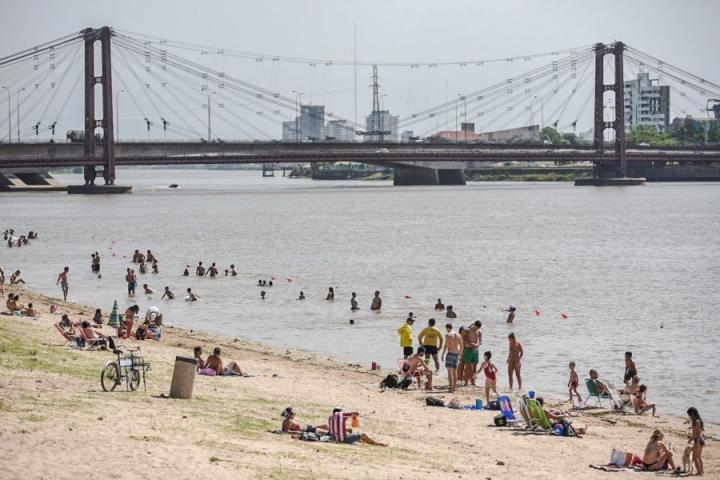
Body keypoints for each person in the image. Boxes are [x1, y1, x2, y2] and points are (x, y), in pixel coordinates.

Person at [441, 323, 463, 393]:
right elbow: (462, 346)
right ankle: (454, 387)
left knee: (450, 372)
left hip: (450, 354)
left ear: (447, 328)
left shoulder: (448, 335)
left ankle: (451, 388)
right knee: (455, 371)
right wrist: (460, 355)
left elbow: (445, 345)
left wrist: (442, 354)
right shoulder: (459, 335)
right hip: (456, 354)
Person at [463, 321, 482, 386]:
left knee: (475, 366)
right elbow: (464, 339)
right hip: (468, 349)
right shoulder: (468, 330)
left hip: (475, 350)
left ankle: (473, 381)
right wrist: (472, 344)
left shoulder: (479, 331)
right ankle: (466, 382)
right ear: (474, 325)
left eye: (478, 328)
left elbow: (481, 340)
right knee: (467, 366)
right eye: (476, 327)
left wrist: (477, 345)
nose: (477, 329)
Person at [687, 407, 705, 475]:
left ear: (692, 414)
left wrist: (696, 442)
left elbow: (698, 432)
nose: (689, 417)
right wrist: (690, 439)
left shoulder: (696, 422)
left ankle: (699, 472)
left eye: (689, 415)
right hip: (701, 440)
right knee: (698, 456)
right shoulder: (699, 420)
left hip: (698, 441)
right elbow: (695, 433)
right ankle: (701, 471)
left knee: (695, 457)